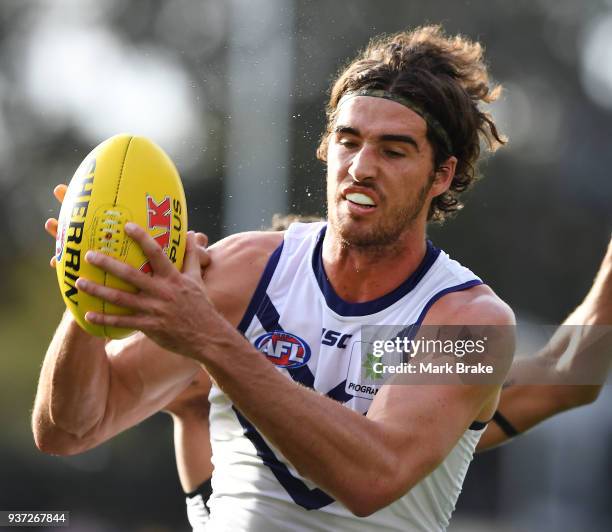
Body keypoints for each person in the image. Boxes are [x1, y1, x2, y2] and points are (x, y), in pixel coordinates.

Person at [34, 25, 523, 531]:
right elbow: (70, 430)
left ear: (441, 175)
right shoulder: (247, 269)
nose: (360, 167)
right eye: (347, 141)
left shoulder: (470, 324)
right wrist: (89, 287)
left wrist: (210, 339)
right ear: (326, 148)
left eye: (393, 151)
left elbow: (372, 477)